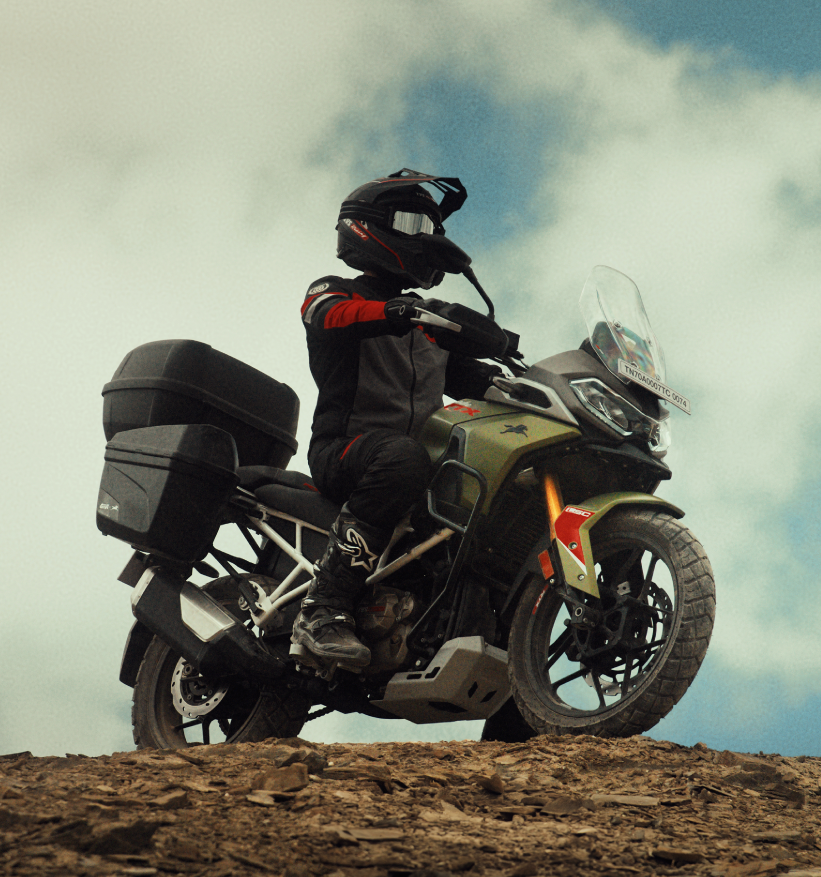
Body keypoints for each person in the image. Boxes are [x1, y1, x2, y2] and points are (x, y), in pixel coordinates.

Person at [291, 169, 502, 670]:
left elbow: (475, 378)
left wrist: (532, 381)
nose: (425, 238)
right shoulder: (335, 291)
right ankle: (321, 609)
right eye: (412, 222)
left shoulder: (428, 327)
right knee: (404, 458)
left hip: (416, 470)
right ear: (366, 226)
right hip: (346, 452)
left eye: (431, 229)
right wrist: (398, 310)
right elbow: (325, 314)